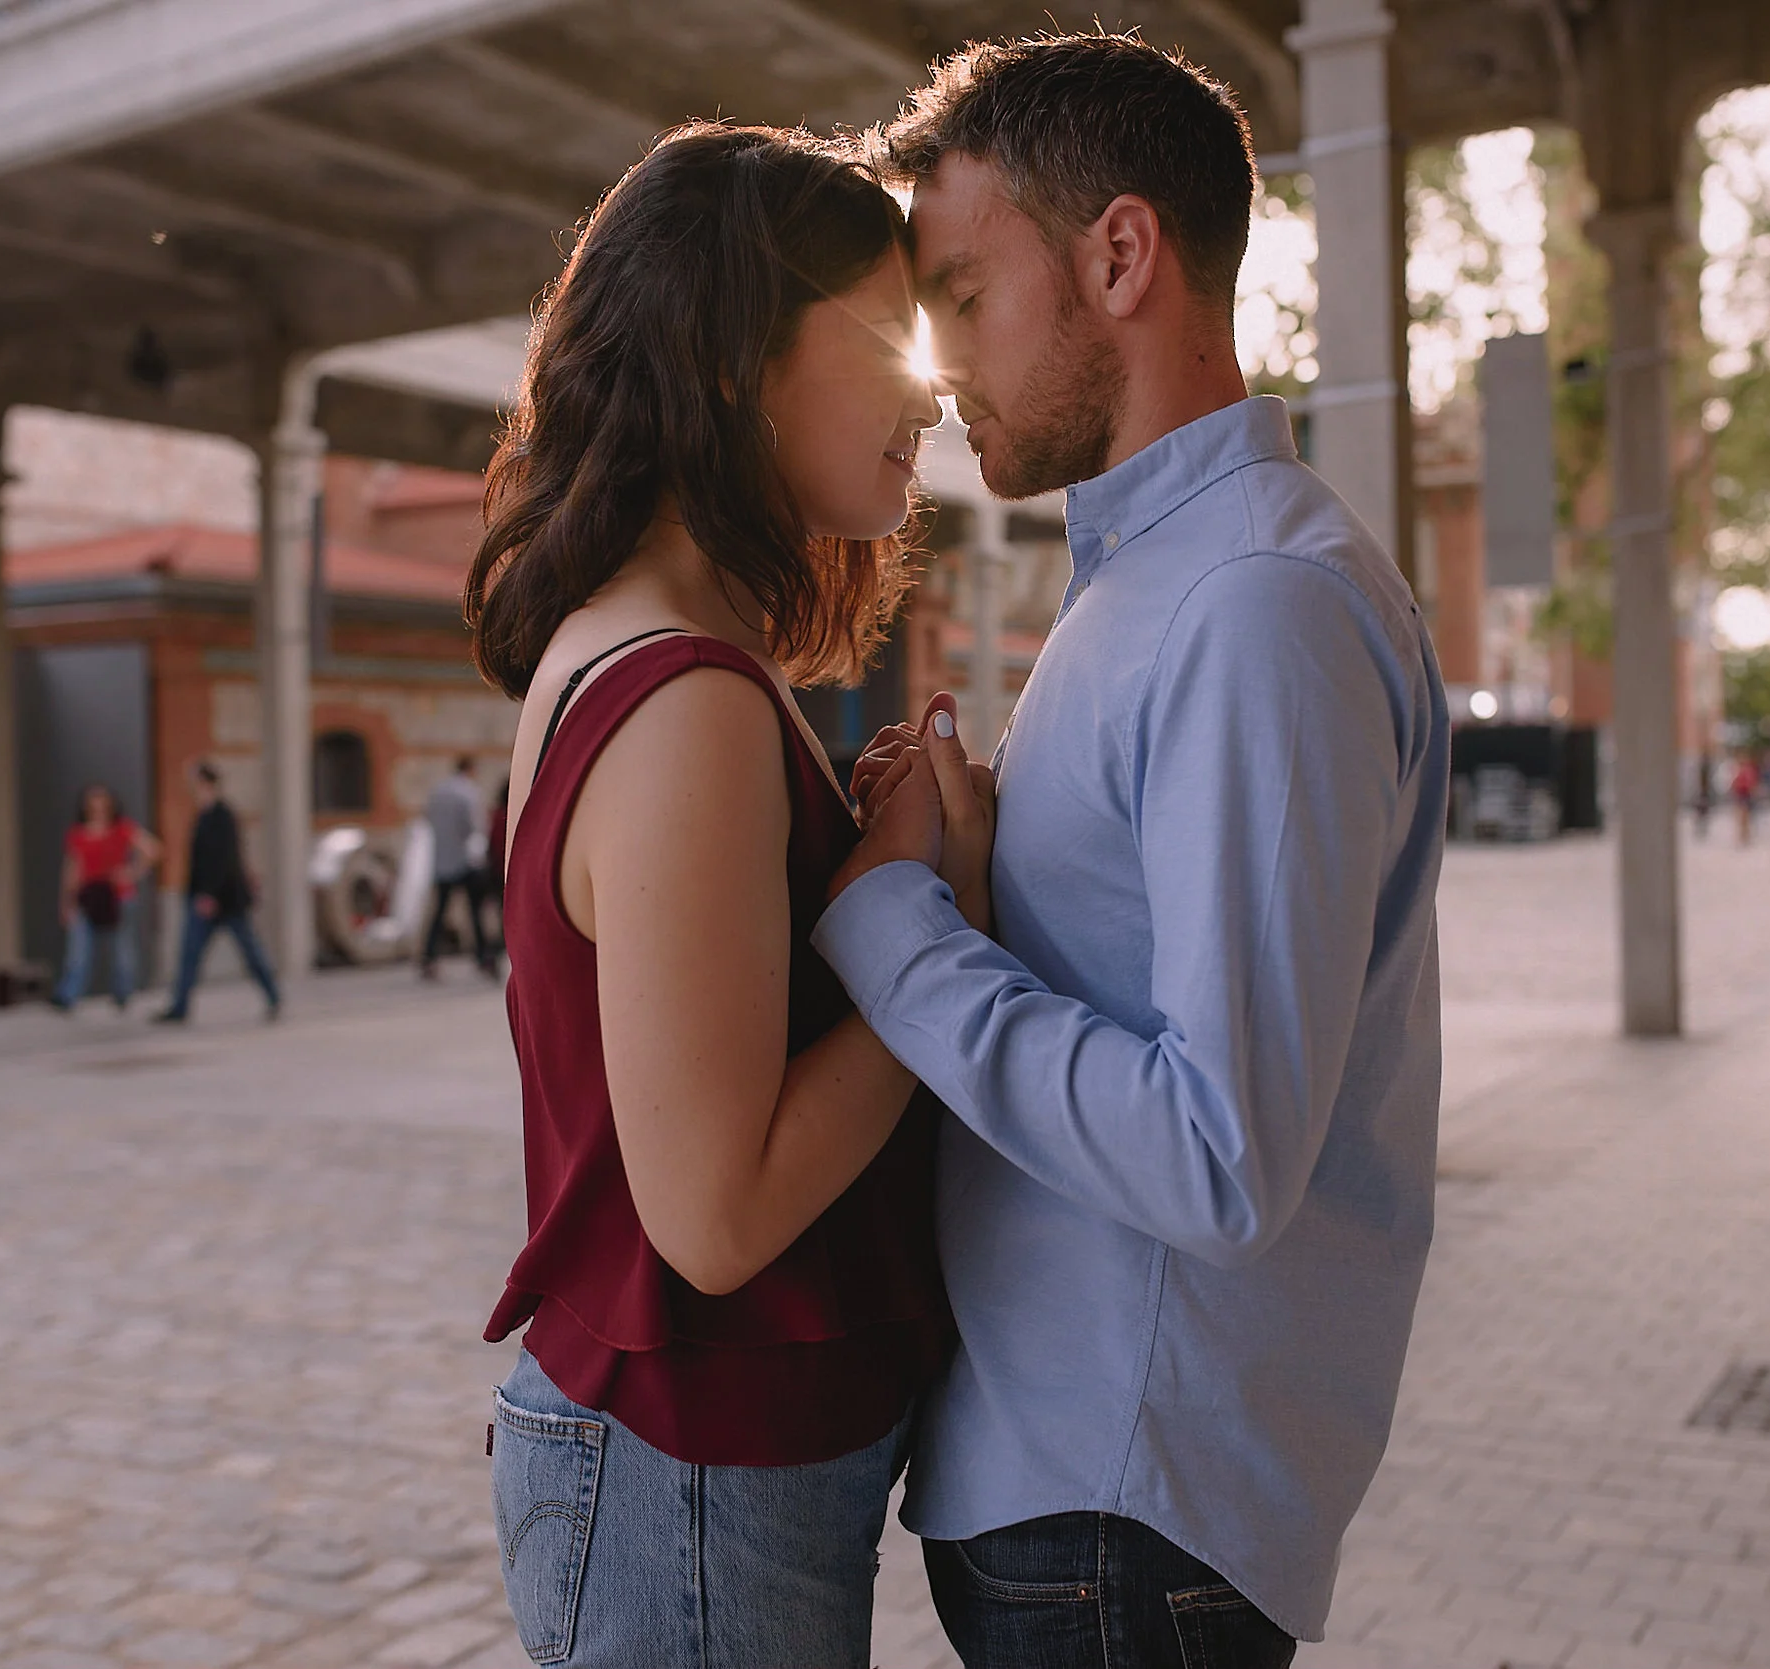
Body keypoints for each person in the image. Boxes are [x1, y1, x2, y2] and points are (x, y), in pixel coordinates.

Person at [824, 35, 1449, 1662]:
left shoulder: (1254, 607)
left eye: (962, 293)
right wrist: (980, 869)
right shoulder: (1157, 578)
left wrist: (896, 931)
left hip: (1126, 1500)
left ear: (1118, 253)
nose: (936, 363)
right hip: (1084, 1478)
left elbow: (1220, 1154)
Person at [464, 125, 955, 1668]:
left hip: (689, 1480)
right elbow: (718, 1216)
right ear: (737, 359)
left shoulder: (668, 655)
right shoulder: (681, 699)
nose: (928, 387)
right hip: (687, 1481)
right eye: (885, 334)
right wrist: (930, 912)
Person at [154, 761, 281, 1023]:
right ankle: (179, 1006)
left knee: (250, 950)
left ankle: (273, 995)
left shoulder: (223, 815)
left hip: (224, 899)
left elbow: (225, 859)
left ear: (206, 783)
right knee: (189, 953)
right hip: (203, 896)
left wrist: (209, 894)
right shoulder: (203, 815)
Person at [50, 784, 162, 1012]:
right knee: (79, 950)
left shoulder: (121, 828)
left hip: (117, 896)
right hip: (88, 896)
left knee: (122, 949)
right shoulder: (78, 834)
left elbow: (152, 849)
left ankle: (123, 991)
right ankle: (67, 994)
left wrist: (132, 872)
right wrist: (66, 902)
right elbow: (73, 869)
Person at [418, 756, 495, 980]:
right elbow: (475, 828)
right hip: (465, 862)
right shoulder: (468, 793)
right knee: (475, 912)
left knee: (439, 912)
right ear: (470, 770)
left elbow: (429, 821)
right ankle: (483, 957)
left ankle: (428, 957)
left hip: (442, 861)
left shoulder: (438, 792)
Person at [1730, 749, 1762, 846]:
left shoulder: (1747, 770)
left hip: (1745, 796)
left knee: (1745, 818)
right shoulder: (1738, 770)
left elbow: (1752, 784)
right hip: (1740, 796)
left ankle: (1745, 837)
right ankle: (1743, 837)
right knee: (1741, 818)